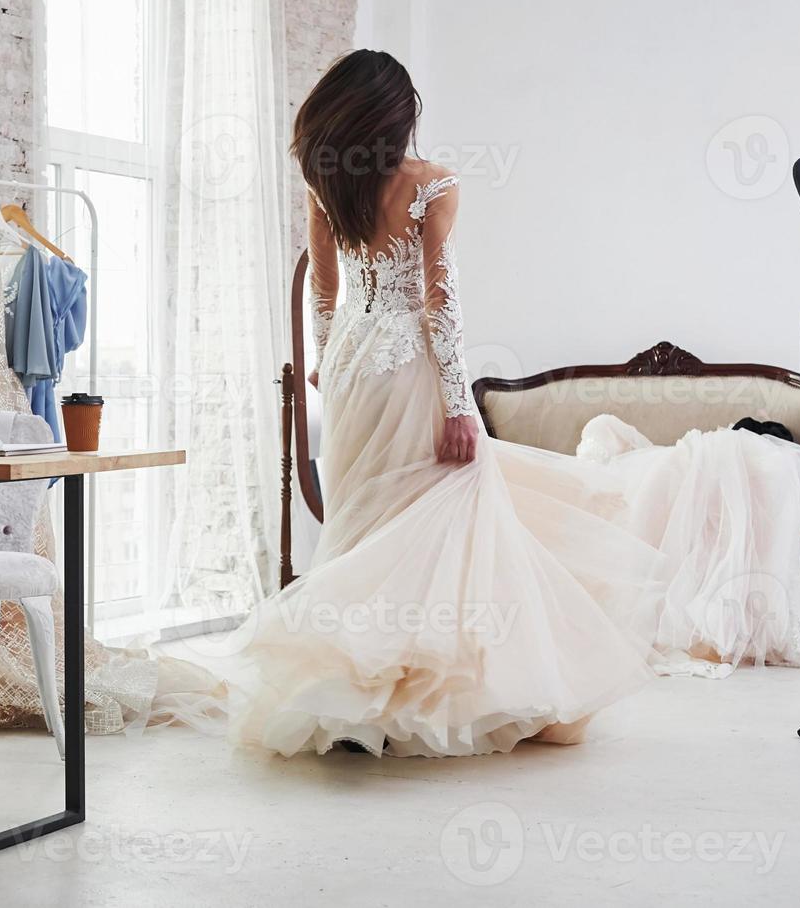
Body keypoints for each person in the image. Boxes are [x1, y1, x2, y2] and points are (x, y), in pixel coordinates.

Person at [226, 50, 670, 758]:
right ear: (396, 116)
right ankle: (415, 692)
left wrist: (322, 366)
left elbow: (321, 287)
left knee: (363, 521)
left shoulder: (323, 180)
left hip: (350, 365)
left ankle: (354, 700)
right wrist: (460, 404)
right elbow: (439, 305)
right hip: (408, 367)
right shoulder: (432, 183)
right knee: (443, 519)